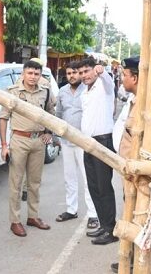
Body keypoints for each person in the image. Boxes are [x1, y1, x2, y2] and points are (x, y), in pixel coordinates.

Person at [111, 57, 151, 273]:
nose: (122, 79)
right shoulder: (135, 100)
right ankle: (134, 260)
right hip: (131, 175)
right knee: (135, 218)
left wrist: (144, 168)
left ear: (134, 78)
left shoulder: (147, 105)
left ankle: (145, 264)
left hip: (140, 178)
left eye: (124, 75)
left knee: (144, 221)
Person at [0, 60, 55, 237]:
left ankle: (33, 216)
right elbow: (3, 118)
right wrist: (4, 146)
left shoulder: (45, 92)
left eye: (36, 74)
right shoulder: (12, 93)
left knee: (34, 183)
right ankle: (15, 221)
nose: (33, 77)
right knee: (16, 183)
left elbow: (49, 114)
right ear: (23, 74)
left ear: (40, 76)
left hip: (38, 141)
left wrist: (49, 131)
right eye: (29, 73)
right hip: (19, 140)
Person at [77, 58, 118, 245]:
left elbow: (109, 82)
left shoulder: (104, 86)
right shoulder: (84, 92)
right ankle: (104, 224)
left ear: (95, 70)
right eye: (81, 72)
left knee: (104, 187)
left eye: (87, 71)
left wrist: (103, 72)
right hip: (87, 144)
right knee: (94, 187)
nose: (84, 75)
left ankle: (111, 230)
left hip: (102, 143)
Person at [55, 62, 99, 229]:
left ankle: (93, 213)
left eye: (75, 72)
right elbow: (58, 114)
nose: (72, 76)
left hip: (84, 141)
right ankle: (71, 209)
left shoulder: (88, 90)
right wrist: (55, 135)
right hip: (66, 141)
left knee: (88, 178)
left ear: (80, 74)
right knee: (69, 177)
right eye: (69, 73)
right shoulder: (62, 92)